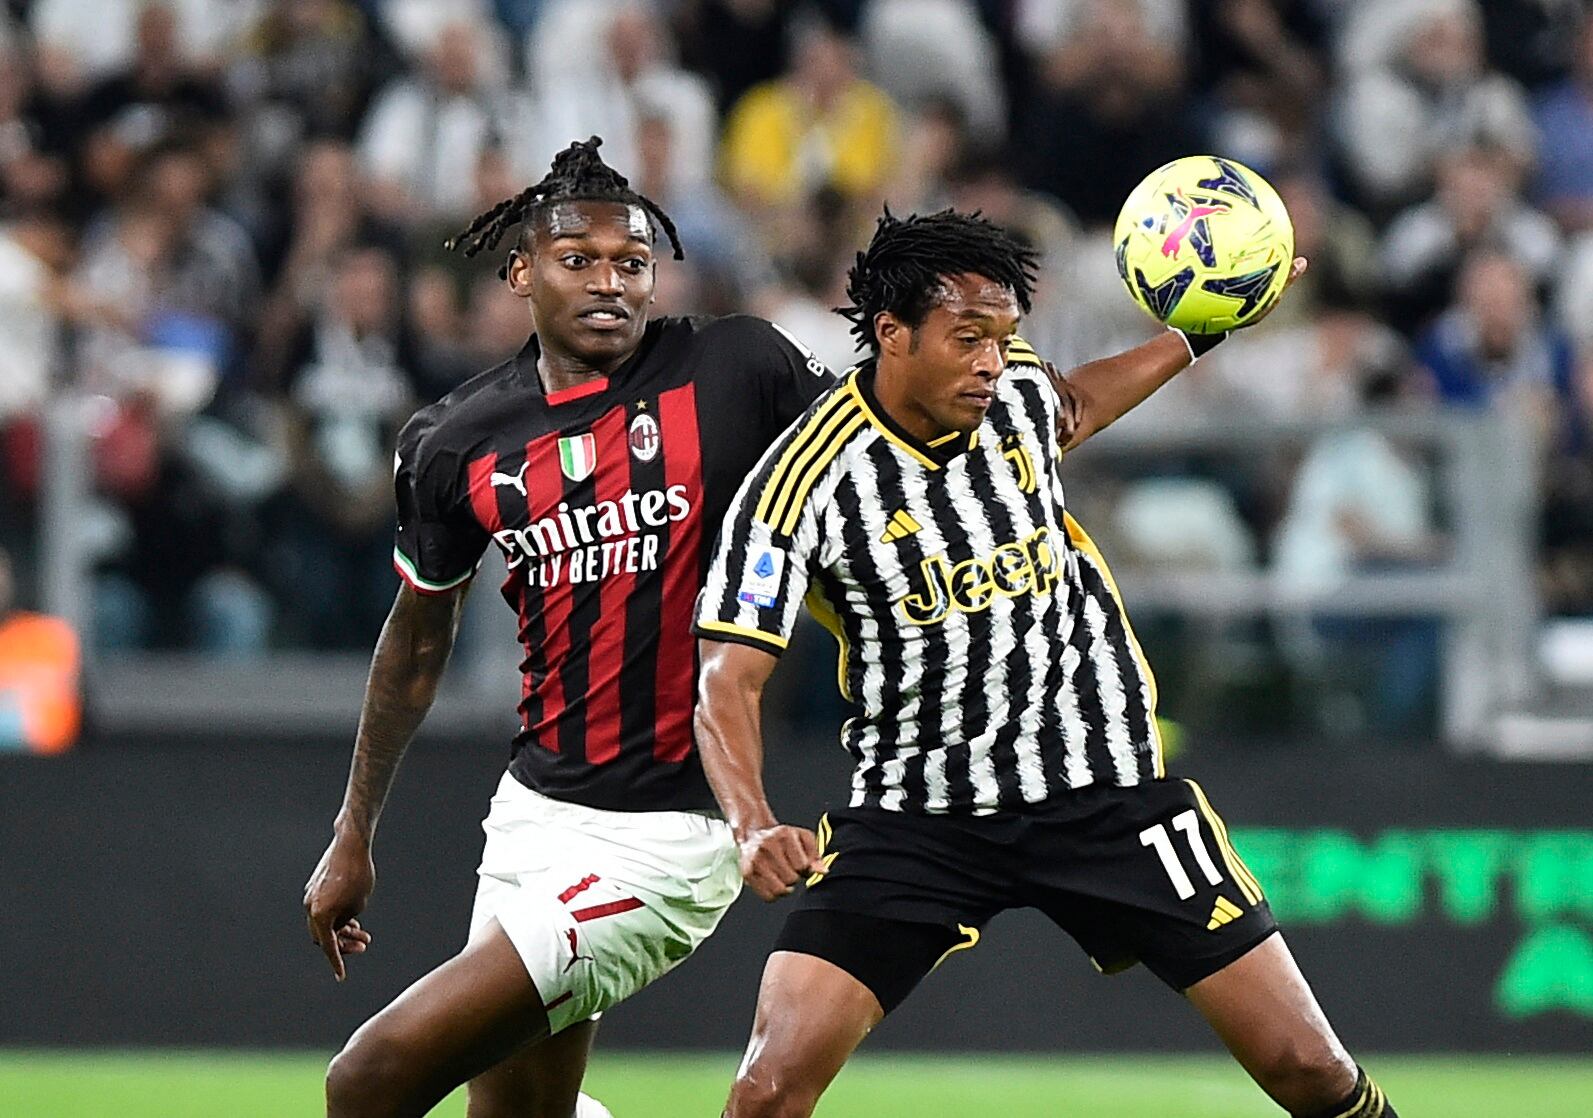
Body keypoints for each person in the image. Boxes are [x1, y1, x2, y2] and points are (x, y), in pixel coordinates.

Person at [693, 208, 1400, 1118]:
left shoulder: (1014, 394)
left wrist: (1199, 333)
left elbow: (1082, 400)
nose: (992, 362)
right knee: (767, 1088)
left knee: (1308, 1065)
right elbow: (727, 675)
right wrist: (750, 822)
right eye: (968, 338)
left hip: (1102, 791)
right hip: (916, 817)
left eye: (1005, 337)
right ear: (890, 334)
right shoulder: (802, 483)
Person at [300, 136, 836, 1118]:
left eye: (631, 262)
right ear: (519, 271)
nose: (610, 282)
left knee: (369, 1076)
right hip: (533, 818)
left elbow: (874, 456)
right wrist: (353, 832)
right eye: (576, 259)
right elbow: (416, 640)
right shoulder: (455, 437)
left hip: (669, 836)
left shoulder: (734, 368)